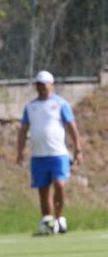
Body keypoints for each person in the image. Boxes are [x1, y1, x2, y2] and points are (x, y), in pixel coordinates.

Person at [16, 70, 83, 233]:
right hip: (38, 155)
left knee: (59, 184)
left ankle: (59, 218)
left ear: (51, 85)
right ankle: (48, 221)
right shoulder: (30, 107)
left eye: (44, 85)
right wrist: (20, 152)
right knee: (43, 190)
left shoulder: (61, 104)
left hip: (58, 154)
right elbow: (23, 130)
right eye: (39, 85)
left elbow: (71, 127)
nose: (41, 88)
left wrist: (78, 149)